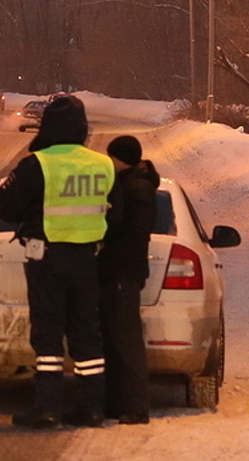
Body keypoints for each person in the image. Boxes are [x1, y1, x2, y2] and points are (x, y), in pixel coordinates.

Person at [0, 94, 115, 429]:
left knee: (48, 335)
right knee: (87, 334)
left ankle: (47, 408)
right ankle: (91, 407)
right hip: (88, 259)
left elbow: (6, 207)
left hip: (46, 258)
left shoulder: (38, 164)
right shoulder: (102, 164)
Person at [100, 134, 161, 424]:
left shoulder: (136, 187)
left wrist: (108, 248)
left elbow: (134, 234)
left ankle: (136, 406)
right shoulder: (133, 183)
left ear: (119, 157)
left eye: (111, 156)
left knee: (126, 339)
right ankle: (117, 403)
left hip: (123, 271)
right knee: (114, 339)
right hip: (120, 271)